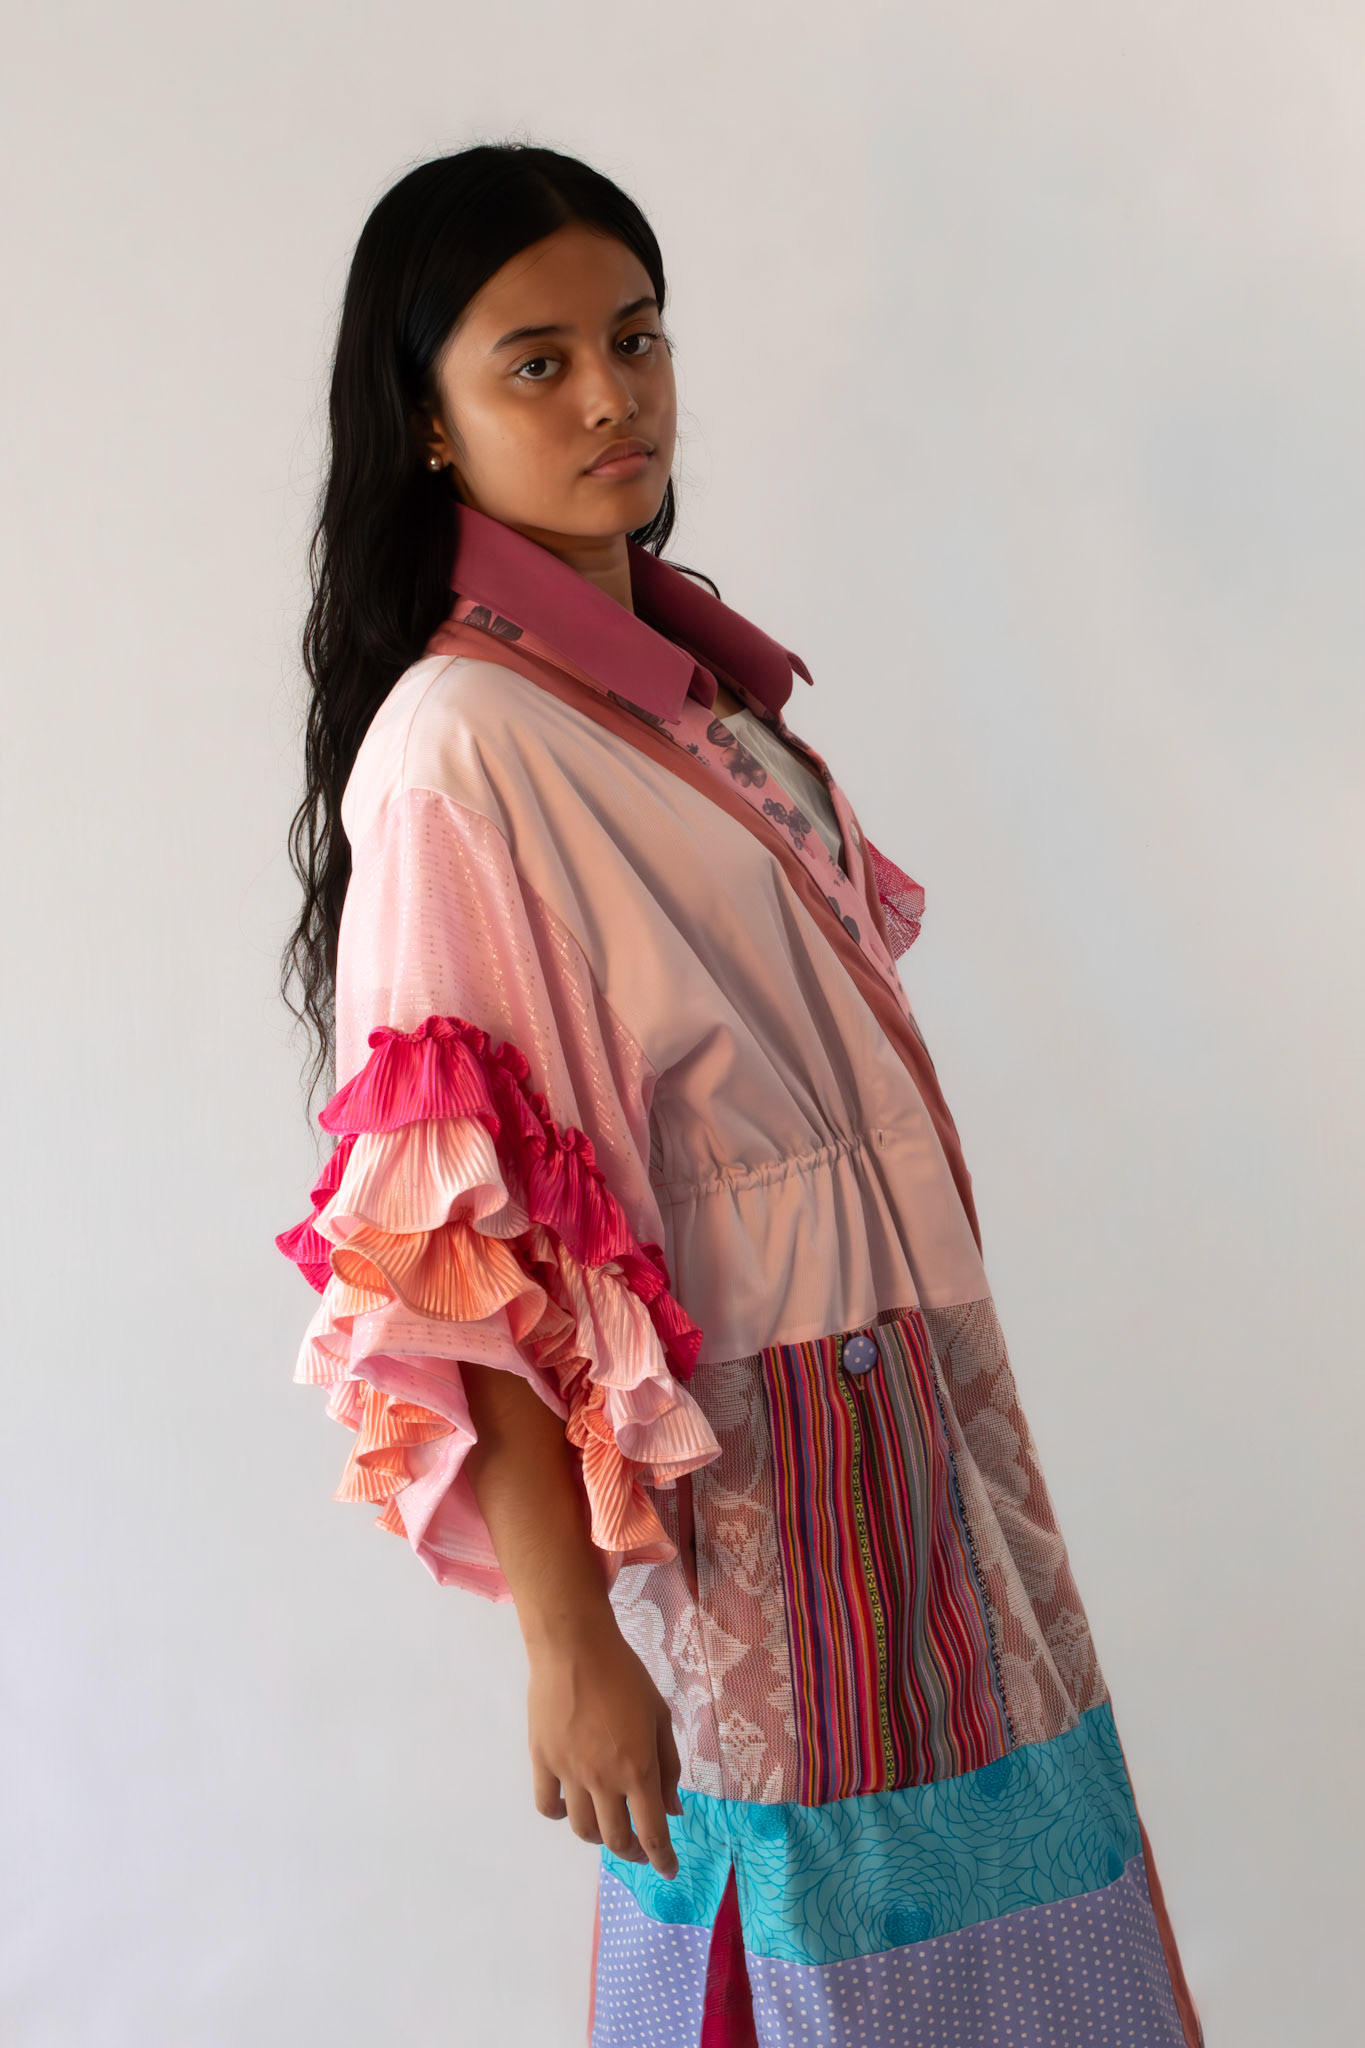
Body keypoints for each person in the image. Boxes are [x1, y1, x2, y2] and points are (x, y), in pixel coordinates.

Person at [277, 141, 1202, 2048]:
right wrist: (567, 1646)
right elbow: (462, 1236)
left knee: (995, 1923)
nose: (609, 397)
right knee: (822, 1959)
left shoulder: (680, 689)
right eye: (535, 363)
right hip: (765, 1447)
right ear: (428, 422)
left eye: (635, 337)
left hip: (906, 1397)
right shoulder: (463, 742)